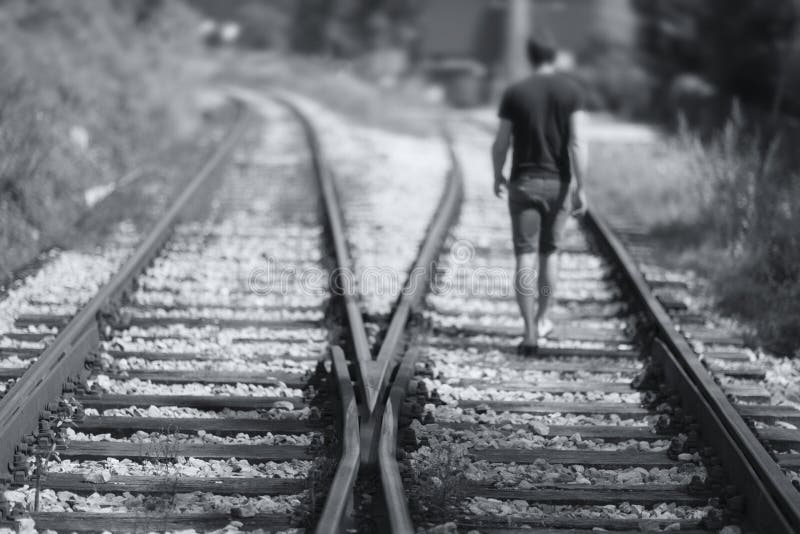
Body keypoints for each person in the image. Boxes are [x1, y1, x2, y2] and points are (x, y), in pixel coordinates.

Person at [491, 38, 589, 356]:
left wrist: (497, 174)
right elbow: (576, 143)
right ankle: (543, 317)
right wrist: (582, 186)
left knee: (524, 255)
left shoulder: (516, 92)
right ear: (555, 56)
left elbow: (501, 142)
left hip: (523, 183)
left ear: (530, 57)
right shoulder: (571, 92)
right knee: (549, 254)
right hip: (557, 184)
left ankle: (529, 331)